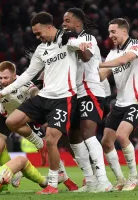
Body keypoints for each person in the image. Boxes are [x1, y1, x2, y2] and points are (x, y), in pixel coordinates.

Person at [0, 11, 90, 194]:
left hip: (64, 97)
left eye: (39, 33)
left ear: (49, 27)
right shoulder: (41, 49)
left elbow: (76, 43)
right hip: (44, 96)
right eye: (35, 34)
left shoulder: (65, 38)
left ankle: (52, 184)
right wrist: (3, 91)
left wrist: (82, 44)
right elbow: (28, 74)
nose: (37, 37)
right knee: (11, 121)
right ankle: (39, 143)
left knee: (52, 139)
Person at [0, 61, 77, 191]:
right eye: (0, 77)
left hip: (27, 116)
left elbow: (34, 92)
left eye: (6, 78)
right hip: (5, 116)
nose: (3, 81)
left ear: (15, 76)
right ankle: (14, 172)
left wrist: (37, 95)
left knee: (50, 146)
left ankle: (66, 179)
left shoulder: (24, 83)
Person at [62, 8, 112, 192]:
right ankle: (90, 180)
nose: (64, 24)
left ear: (77, 23)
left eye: (67, 21)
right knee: (73, 135)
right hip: (76, 93)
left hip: (90, 90)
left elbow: (87, 55)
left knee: (88, 133)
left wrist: (73, 44)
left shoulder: (87, 38)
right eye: (63, 21)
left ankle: (104, 181)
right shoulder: (69, 41)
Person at [99, 18, 138, 191]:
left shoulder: (135, 45)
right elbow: (101, 75)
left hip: (135, 102)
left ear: (124, 31)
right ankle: (120, 179)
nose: (110, 36)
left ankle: (134, 178)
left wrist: (97, 63)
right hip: (120, 104)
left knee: (122, 136)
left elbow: (124, 61)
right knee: (106, 142)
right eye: (109, 32)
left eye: (113, 32)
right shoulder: (112, 54)